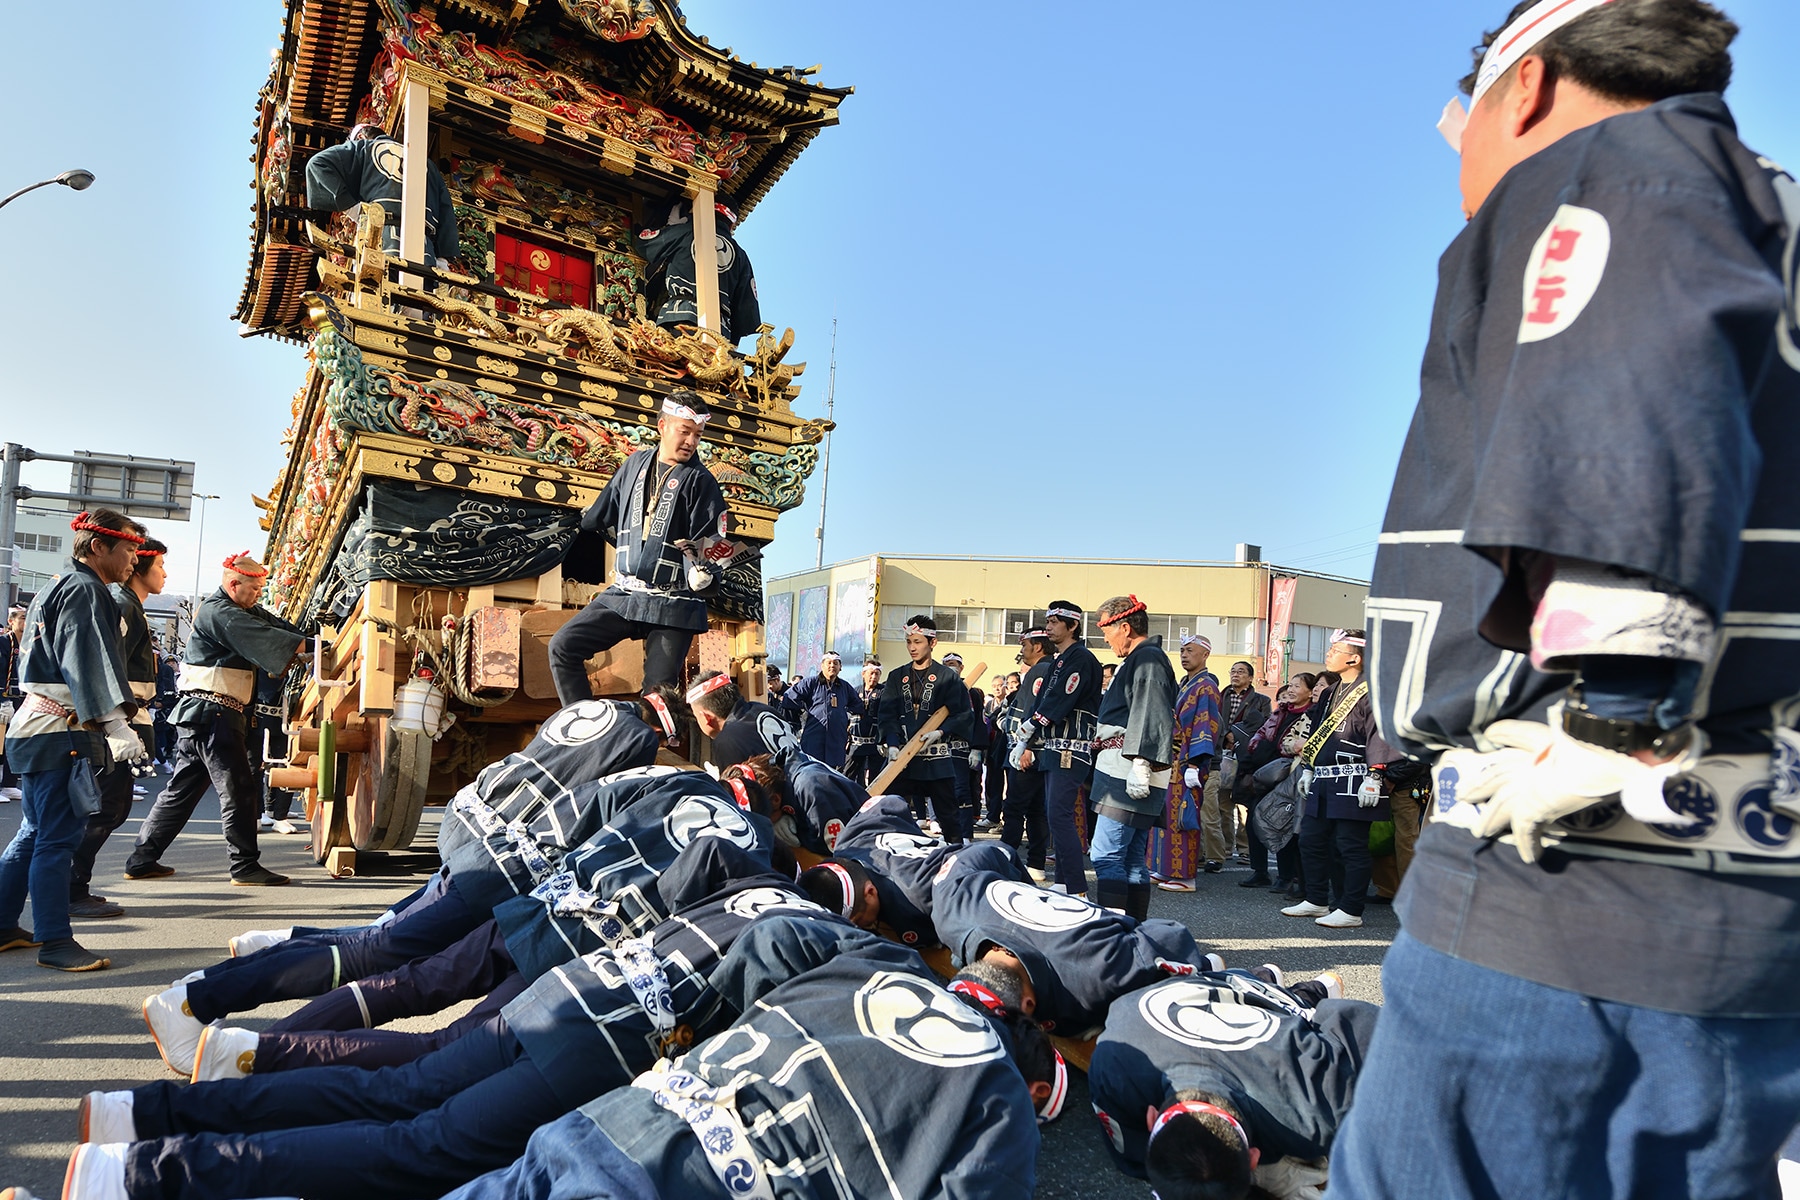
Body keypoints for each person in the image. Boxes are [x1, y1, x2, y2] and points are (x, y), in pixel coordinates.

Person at [1334, 4, 1800, 1197]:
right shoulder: (1769, 214)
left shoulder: (1621, 166)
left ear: (1525, 87)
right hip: (1747, 895)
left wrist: (1618, 699)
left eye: (1460, 124)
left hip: (1573, 871)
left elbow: (1629, 396)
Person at [431, 918, 1054, 1200]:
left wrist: (716, 1034)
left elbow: (773, 938)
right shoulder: (999, 1100)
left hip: (621, 1118)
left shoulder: (876, 962)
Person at [0, 510, 146, 971]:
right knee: (56, 840)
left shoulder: (60, 585)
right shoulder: (85, 589)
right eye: (128, 550)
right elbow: (86, 662)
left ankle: (4, 925)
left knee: (34, 833)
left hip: (36, 728)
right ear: (97, 547)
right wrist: (116, 725)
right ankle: (56, 942)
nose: (133, 560)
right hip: (59, 730)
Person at [1089, 970, 1377, 1199]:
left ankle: (1296, 990)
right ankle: (1277, 983)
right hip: (1196, 990)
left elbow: (1365, 1025)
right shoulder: (1111, 1067)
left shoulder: (1320, 1108)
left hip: (1250, 999)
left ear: (1254, 1159)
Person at [125, 554, 304, 887]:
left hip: (206, 717)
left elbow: (278, 628)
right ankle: (243, 866)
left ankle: (141, 859)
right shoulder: (219, 611)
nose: (258, 595)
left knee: (180, 792)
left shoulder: (239, 609)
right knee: (238, 790)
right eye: (253, 588)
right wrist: (305, 647)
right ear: (233, 584)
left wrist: (308, 639)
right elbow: (271, 638)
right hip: (214, 715)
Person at [551, 391, 730, 699]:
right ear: (662, 426)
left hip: (674, 603)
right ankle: (582, 726)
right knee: (563, 646)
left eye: (697, 435)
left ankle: (652, 740)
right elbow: (597, 516)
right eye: (684, 432)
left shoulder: (702, 482)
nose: (691, 441)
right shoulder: (634, 464)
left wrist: (707, 573)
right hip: (624, 594)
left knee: (658, 696)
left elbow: (714, 545)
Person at [931, 846, 1218, 1036]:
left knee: (1206, 969)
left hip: (1098, 944)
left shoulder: (1096, 972)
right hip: (1069, 924)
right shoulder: (950, 910)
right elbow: (991, 850)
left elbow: (1172, 938)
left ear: (1030, 1004)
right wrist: (1028, 891)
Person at [68, 536, 168, 921]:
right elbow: (107, 670)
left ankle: (74, 886)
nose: (163, 573)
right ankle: (71, 889)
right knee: (104, 806)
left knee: (114, 805)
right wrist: (115, 725)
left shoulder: (130, 606)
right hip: (115, 721)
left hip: (128, 717)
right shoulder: (123, 605)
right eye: (158, 565)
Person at [1281, 631, 1384, 931]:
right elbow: (1316, 732)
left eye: (1336, 649)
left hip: (1356, 777)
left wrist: (1376, 775)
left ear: (1354, 657)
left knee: (1349, 846)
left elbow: (1379, 734)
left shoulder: (1372, 690)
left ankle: (1351, 908)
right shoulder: (1328, 692)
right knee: (1311, 839)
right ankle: (1316, 898)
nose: (1329, 654)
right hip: (1323, 778)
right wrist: (1310, 768)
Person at [1087, 596, 1178, 920]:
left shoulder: (1148, 659)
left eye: (1106, 629)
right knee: (1131, 857)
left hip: (1130, 766)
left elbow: (1152, 710)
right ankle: (1133, 929)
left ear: (1124, 627)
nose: (1105, 638)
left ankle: (1112, 932)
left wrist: (1142, 761)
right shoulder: (1143, 658)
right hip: (1130, 764)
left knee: (1107, 854)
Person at [1011, 599, 1103, 894]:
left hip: (1070, 747)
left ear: (1073, 625)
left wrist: (1032, 725)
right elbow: (1042, 700)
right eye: (1047, 621)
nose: (1048, 626)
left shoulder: (1081, 658)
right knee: (1057, 814)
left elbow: (1062, 698)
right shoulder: (1060, 660)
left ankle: (1075, 886)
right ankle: (1064, 880)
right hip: (1053, 746)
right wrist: (1026, 736)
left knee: (1059, 814)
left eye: (1054, 622)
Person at [878, 615, 975, 845]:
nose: (912, 647)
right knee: (882, 807)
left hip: (936, 759)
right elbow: (887, 714)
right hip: (902, 758)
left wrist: (940, 732)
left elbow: (963, 713)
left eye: (918, 642)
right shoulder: (896, 676)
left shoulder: (947, 677)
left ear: (932, 643)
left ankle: (956, 857)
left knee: (949, 816)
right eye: (909, 642)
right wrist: (891, 743)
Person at [304, 122, 460, 264]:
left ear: (360, 137)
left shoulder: (362, 148)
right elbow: (446, 209)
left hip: (381, 237)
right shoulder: (426, 163)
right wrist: (443, 259)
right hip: (424, 245)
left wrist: (354, 209)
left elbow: (317, 164)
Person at [636, 198, 762, 344]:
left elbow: (644, 245)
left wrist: (670, 228)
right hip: (719, 334)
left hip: (678, 320)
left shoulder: (685, 232)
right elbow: (746, 316)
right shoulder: (741, 257)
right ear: (732, 223)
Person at [1236, 672, 1319, 893]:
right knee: (1255, 820)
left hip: (1290, 778)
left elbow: (1293, 747)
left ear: (1311, 692)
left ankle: (1286, 876)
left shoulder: (1311, 715)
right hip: (1266, 776)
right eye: (1290, 685)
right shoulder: (1279, 712)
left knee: (1285, 826)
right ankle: (1260, 871)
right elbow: (1260, 738)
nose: (1291, 690)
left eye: (1297, 686)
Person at [1152, 634, 1222, 892]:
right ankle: (1164, 868)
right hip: (1170, 760)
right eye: (1182, 650)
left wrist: (1195, 764)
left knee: (1183, 817)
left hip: (1187, 764)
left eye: (1190, 651)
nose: (1184, 655)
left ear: (1205, 654)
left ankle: (1184, 877)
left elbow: (1207, 726)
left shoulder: (1206, 686)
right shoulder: (1185, 684)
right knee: (1165, 816)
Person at [1001, 631, 1053, 877]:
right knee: (1035, 810)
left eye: (1025, 644)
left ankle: (1006, 859)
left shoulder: (1041, 671)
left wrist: (1029, 746)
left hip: (1029, 750)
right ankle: (1035, 863)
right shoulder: (1046, 669)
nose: (1022, 650)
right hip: (1032, 749)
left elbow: (1037, 711)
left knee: (1015, 808)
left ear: (1039, 646)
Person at [1218, 660, 1273, 863]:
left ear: (1250, 678)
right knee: (1223, 803)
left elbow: (1265, 726)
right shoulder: (1220, 696)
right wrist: (1227, 735)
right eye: (1233, 671)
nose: (1236, 675)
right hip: (1223, 752)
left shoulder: (1261, 700)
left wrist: (1238, 737)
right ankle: (1225, 847)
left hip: (1247, 756)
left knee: (1244, 805)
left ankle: (1245, 848)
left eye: (1241, 672)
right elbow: (1214, 720)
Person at [686, 668, 795, 769]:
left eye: (696, 716)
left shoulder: (727, 740)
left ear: (706, 717)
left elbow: (736, 788)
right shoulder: (763, 709)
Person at [779, 649, 862, 770]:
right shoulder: (809, 683)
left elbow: (858, 705)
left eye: (835, 663)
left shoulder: (845, 687)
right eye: (829, 663)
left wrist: (846, 715)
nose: (832, 666)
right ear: (822, 665)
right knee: (812, 770)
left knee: (832, 774)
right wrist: (803, 709)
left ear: (840, 667)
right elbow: (788, 700)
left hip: (836, 739)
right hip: (814, 737)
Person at [248, 671, 302, 835]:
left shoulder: (296, 667)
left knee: (285, 764)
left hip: (286, 718)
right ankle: (255, 815)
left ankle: (279, 815)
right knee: (253, 767)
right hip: (256, 717)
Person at [844, 657, 884, 785]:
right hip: (856, 743)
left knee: (875, 778)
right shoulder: (854, 691)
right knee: (847, 775)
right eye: (871, 673)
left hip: (874, 743)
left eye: (877, 674)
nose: (873, 676)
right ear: (863, 674)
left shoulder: (884, 692)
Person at [0, 604, 24, 800]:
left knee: (16, 742)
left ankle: (9, 783)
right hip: (5, 698)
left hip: (23, 699)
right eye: (22, 618)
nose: (25, 622)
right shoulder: (3, 642)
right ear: (11, 621)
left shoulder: (32, 644)